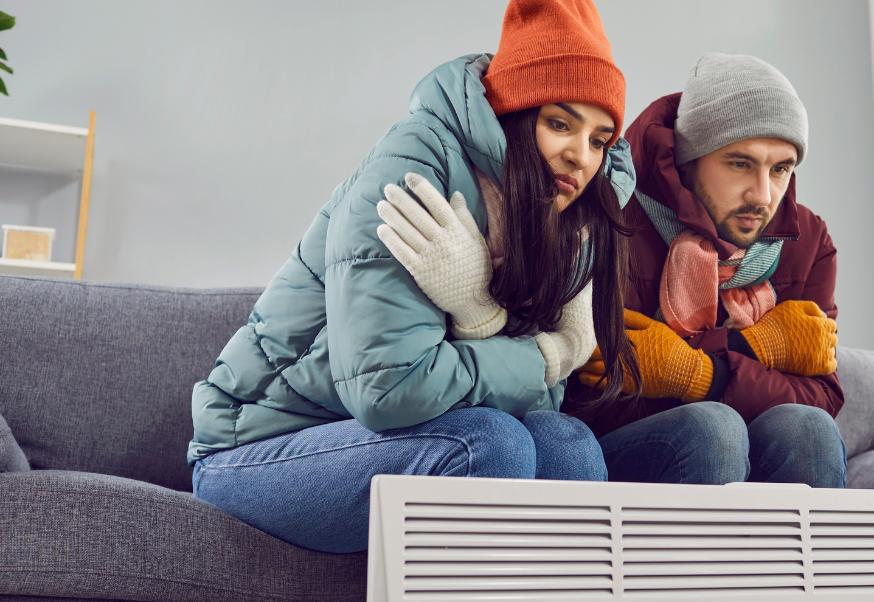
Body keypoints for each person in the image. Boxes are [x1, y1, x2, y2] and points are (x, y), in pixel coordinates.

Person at [188, 0, 638, 553]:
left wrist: (479, 315)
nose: (580, 157)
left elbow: (537, 407)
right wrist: (547, 355)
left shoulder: (554, 218)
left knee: (566, 442)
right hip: (257, 450)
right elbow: (390, 391)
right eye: (560, 123)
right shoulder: (412, 170)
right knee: (489, 448)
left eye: (599, 139)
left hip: (381, 442)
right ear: (517, 115)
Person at [567, 53, 846, 488]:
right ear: (687, 160)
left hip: (745, 429)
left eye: (781, 169)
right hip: (623, 448)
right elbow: (591, 391)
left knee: (805, 429)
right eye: (740, 164)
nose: (762, 194)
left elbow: (823, 398)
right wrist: (756, 348)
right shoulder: (613, 215)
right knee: (713, 429)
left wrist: (704, 374)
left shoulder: (806, 240)